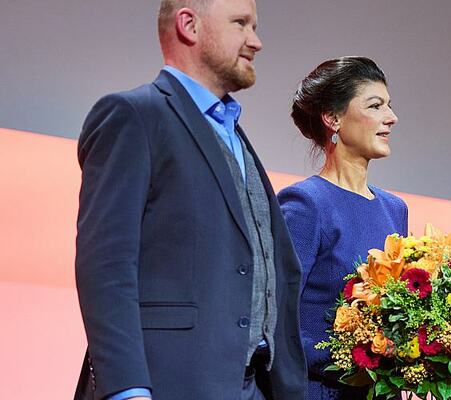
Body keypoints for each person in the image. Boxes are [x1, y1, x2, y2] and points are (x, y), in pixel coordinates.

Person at [73, 1, 305, 399]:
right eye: (240, 24)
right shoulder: (135, 115)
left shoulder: (235, 136)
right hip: (169, 382)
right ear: (189, 25)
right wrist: (127, 390)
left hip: (254, 386)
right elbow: (106, 265)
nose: (257, 41)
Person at [277, 56, 408, 400]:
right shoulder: (306, 204)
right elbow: (276, 322)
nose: (391, 118)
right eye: (375, 106)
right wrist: (355, 357)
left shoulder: (395, 209)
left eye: (389, 106)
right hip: (321, 390)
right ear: (333, 118)